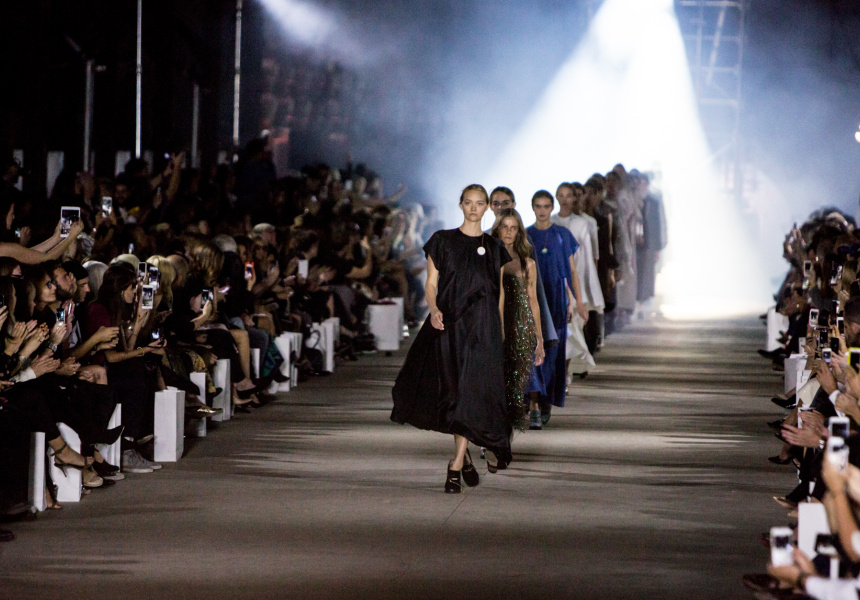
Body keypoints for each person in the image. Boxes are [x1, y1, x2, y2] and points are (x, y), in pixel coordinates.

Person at [391, 184, 511, 493]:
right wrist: (432, 309)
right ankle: (463, 457)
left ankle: (456, 464)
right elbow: (431, 284)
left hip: (483, 328)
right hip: (451, 325)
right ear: (460, 205)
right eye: (468, 202)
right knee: (454, 394)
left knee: (472, 393)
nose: (473, 208)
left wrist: (499, 331)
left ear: (487, 207)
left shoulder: (495, 248)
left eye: (479, 203)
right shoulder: (442, 241)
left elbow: (498, 294)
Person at [527, 190, 588, 429]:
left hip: (556, 299)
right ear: (532, 208)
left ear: (551, 207)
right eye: (538, 206)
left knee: (553, 354)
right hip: (533, 299)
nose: (542, 210)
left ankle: (546, 402)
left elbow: (570, 271)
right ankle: (533, 404)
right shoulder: (525, 236)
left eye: (546, 206)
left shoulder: (562, 235)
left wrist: (576, 301)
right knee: (533, 350)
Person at [491, 209, 545, 461]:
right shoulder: (489, 259)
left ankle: (504, 441)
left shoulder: (528, 263)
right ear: (497, 229)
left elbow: (533, 302)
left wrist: (539, 339)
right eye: (505, 227)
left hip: (521, 329)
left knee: (514, 389)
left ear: (519, 231)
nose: (509, 232)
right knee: (494, 385)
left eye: (514, 228)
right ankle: (492, 436)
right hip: (493, 326)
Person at [552, 183, 599, 378]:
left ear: (574, 198)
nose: (564, 199)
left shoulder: (582, 224)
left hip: (576, 282)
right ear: (556, 197)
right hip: (555, 285)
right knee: (560, 332)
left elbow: (588, 258)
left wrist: (587, 292)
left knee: (574, 331)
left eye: (568, 195)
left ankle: (566, 373)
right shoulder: (549, 221)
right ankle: (561, 375)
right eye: (561, 195)